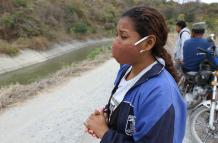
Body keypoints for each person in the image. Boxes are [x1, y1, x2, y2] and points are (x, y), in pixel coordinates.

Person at [84, 6, 186, 143]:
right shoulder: (126, 69)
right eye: (116, 35)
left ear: (148, 43)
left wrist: (105, 133)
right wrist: (107, 116)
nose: (115, 42)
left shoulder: (160, 94)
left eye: (123, 36)